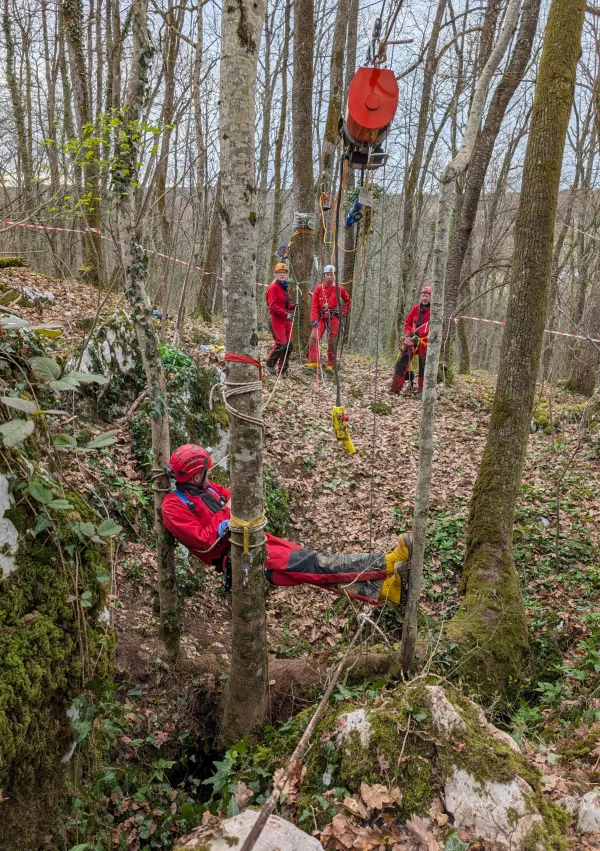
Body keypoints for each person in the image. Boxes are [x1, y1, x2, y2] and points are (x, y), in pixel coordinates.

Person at [162, 444, 412, 606]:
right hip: (241, 556)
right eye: (206, 471)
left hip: (256, 541)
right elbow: (204, 541)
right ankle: (386, 563)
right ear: (195, 476)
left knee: (316, 573)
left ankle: (388, 590)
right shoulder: (173, 507)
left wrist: (229, 511)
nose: (211, 473)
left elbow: (233, 497)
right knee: (315, 564)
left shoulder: (207, 488)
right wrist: (226, 514)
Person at [306, 265, 351, 371]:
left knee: (333, 341)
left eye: (332, 275)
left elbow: (348, 301)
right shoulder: (318, 288)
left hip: (333, 317)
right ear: (324, 275)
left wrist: (343, 313)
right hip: (321, 317)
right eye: (328, 274)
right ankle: (314, 361)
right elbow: (314, 305)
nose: (330, 277)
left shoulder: (339, 288)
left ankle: (331, 363)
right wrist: (314, 320)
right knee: (314, 337)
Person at [390, 286, 431, 395]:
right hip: (412, 340)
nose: (424, 298)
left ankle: (423, 391)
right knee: (402, 362)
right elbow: (407, 323)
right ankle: (395, 388)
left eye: (427, 296)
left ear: (430, 297)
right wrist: (408, 335)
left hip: (425, 342)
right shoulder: (416, 308)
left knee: (424, 366)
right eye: (423, 295)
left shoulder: (433, 312)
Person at [265, 262, 295, 377]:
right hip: (277, 320)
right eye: (279, 273)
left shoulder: (285, 286)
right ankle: (270, 363)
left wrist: (293, 306)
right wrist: (285, 313)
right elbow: (272, 306)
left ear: (286, 274)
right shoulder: (273, 287)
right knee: (281, 343)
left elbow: (286, 303)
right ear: (275, 274)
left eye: (284, 272)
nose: (282, 274)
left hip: (286, 320)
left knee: (289, 345)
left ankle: (283, 369)